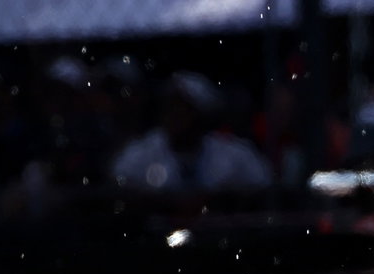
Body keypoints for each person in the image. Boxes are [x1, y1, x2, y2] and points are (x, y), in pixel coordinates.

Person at [111, 71, 271, 192]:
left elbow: (264, 184)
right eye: (169, 107)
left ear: (201, 114)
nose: (174, 115)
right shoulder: (142, 151)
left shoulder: (234, 154)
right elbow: (119, 183)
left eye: (183, 109)